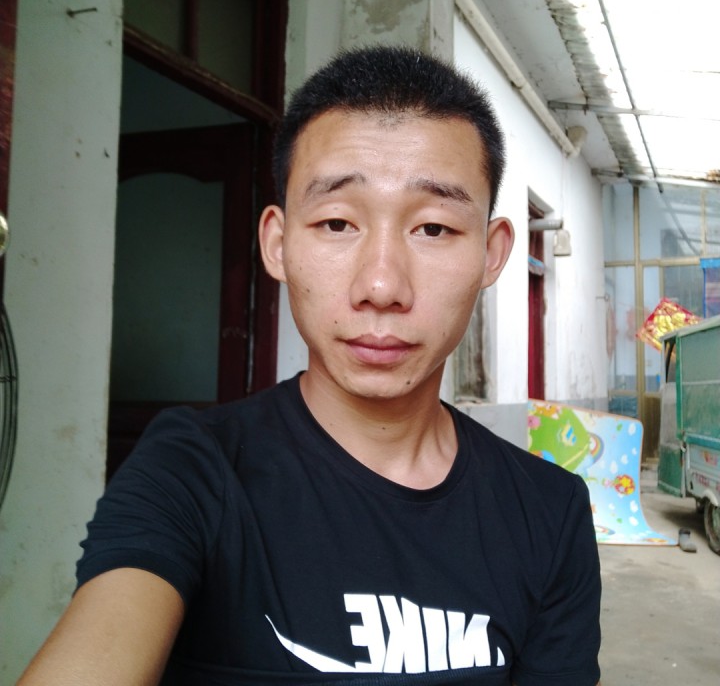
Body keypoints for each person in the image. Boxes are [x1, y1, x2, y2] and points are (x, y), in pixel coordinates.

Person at [18, 46, 601, 686]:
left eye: (433, 228)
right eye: (336, 222)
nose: (381, 286)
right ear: (278, 243)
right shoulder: (195, 469)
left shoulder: (549, 511)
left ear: (491, 255)